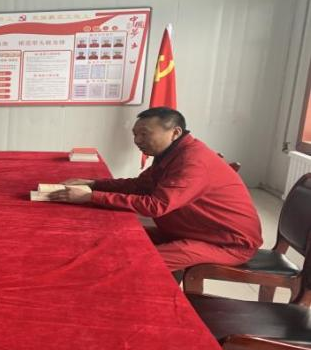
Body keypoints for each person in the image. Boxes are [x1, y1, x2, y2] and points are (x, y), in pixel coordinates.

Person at [49, 107, 262, 273]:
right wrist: (94, 184)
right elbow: (138, 186)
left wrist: (91, 196)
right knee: (111, 240)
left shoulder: (192, 161)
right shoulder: (172, 154)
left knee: (133, 262)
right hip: (187, 231)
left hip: (226, 244)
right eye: (135, 134)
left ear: (175, 132)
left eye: (145, 134)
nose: (137, 141)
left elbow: (156, 206)